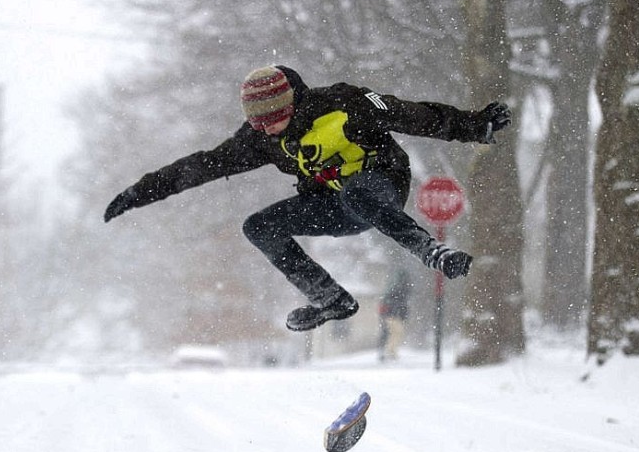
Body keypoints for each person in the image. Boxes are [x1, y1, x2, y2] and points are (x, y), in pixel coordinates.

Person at [104, 65, 511, 332]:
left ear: (290, 103)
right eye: (257, 124)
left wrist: (475, 126)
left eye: (271, 120)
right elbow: (204, 165)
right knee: (258, 226)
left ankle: (430, 251)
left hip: (382, 185)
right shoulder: (261, 138)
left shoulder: (344, 104)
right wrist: (140, 192)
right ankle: (331, 299)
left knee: (358, 191)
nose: (267, 132)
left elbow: (414, 114)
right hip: (334, 204)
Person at [378, 268, 411, 362]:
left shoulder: (396, 291)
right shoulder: (397, 291)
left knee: (394, 333)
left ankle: (390, 351)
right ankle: (390, 351)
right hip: (392, 315)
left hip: (392, 315)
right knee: (397, 332)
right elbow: (397, 304)